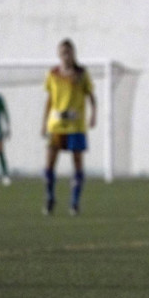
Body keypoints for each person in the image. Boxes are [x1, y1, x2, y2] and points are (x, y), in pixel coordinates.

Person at [42, 38, 96, 216]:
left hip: (75, 125)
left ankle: (74, 202)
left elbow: (91, 96)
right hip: (56, 124)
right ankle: (50, 198)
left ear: (73, 53)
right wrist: (44, 122)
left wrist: (93, 115)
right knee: (49, 163)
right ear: (59, 54)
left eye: (69, 52)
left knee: (77, 163)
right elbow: (49, 99)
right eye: (63, 52)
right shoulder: (53, 74)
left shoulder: (81, 74)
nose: (66, 56)